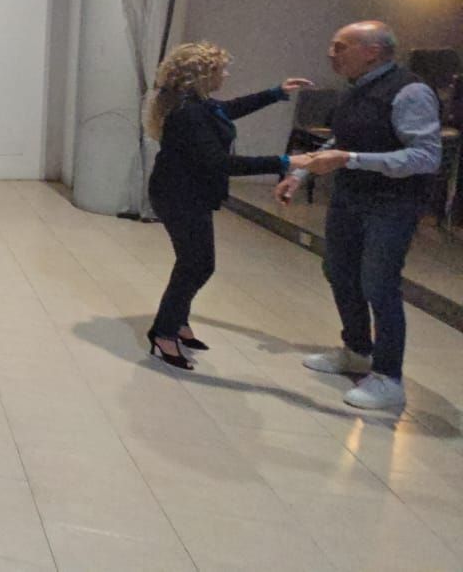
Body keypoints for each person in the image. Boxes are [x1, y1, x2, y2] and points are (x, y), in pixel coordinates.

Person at [277, 21, 442, 410]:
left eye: (340, 46)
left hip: (391, 203)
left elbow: (426, 156)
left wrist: (351, 160)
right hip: (351, 198)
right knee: (338, 271)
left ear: (372, 51)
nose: (331, 54)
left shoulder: (410, 91)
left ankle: (388, 376)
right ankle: (356, 349)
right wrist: (299, 173)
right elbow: (341, 140)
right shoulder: (357, 89)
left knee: (379, 284)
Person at [142, 44, 313, 369]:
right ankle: (164, 332)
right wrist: (285, 161)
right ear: (202, 76)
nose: (227, 74)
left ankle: (177, 322)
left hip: (185, 194)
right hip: (180, 197)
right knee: (197, 265)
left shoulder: (197, 104)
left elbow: (229, 109)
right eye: (221, 69)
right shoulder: (188, 112)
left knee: (194, 263)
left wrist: (276, 93)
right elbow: (220, 163)